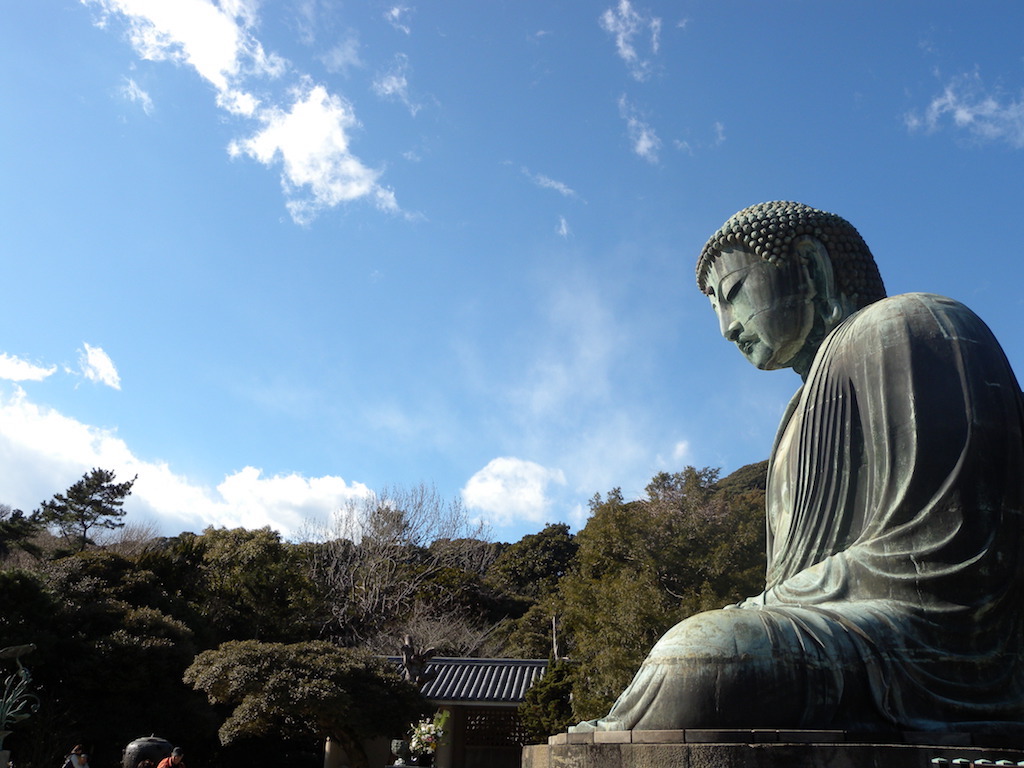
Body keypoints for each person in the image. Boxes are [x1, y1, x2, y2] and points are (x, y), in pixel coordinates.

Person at [575, 201, 1024, 733]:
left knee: (696, 661)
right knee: (701, 656)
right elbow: (791, 589)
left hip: (934, 645)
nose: (725, 327)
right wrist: (765, 606)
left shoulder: (913, 325)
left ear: (810, 268)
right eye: (715, 307)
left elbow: (956, 553)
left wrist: (763, 607)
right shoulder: (793, 422)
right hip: (841, 630)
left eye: (735, 293)